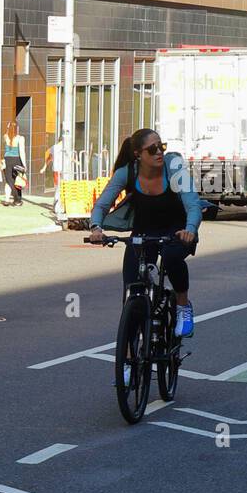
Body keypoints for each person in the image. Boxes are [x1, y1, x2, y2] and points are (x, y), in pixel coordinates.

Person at [87, 128, 202, 337]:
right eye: (152, 149)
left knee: (171, 257)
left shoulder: (173, 167)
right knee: (131, 284)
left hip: (177, 228)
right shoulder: (127, 172)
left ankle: (183, 306)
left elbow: (193, 204)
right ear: (138, 154)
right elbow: (102, 205)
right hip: (144, 228)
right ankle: (130, 357)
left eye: (161, 146)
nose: (159, 152)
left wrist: (190, 230)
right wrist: (96, 228)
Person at [2, 121, 26, 206]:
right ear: (17, 128)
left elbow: (7, 132)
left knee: (9, 181)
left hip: (7, 160)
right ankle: (17, 200)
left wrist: (8, 127)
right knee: (17, 180)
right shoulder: (20, 138)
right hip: (17, 160)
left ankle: (7, 200)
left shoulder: (5, 137)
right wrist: (24, 164)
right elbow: (22, 152)